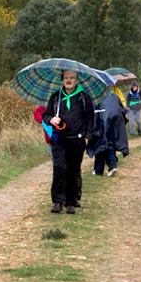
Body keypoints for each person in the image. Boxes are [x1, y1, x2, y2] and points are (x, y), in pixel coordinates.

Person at [42, 70, 95, 214]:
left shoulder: (84, 98)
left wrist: (87, 137)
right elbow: (45, 115)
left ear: (77, 80)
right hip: (59, 139)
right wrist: (51, 120)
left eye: (72, 78)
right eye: (66, 78)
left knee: (73, 171)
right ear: (62, 80)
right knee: (59, 168)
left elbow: (91, 119)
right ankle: (57, 201)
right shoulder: (56, 97)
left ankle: (71, 202)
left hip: (77, 140)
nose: (69, 80)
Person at [88, 86, 129, 177]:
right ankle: (112, 166)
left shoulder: (97, 98)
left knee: (99, 146)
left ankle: (99, 169)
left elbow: (93, 113)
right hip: (114, 126)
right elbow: (122, 110)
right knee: (110, 145)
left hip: (101, 126)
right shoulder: (114, 97)